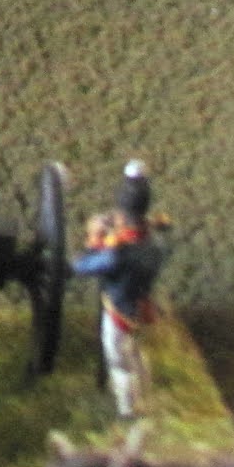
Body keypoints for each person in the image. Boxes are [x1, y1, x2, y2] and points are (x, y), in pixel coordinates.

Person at [72, 161, 165, 422]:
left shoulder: (117, 254)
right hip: (141, 303)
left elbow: (82, 267)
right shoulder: (154, 242)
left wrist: (95, 242)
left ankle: (128, 410)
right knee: (133, 351)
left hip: (119, 309)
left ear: (123, 216)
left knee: (119, 359)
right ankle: (145, 391)